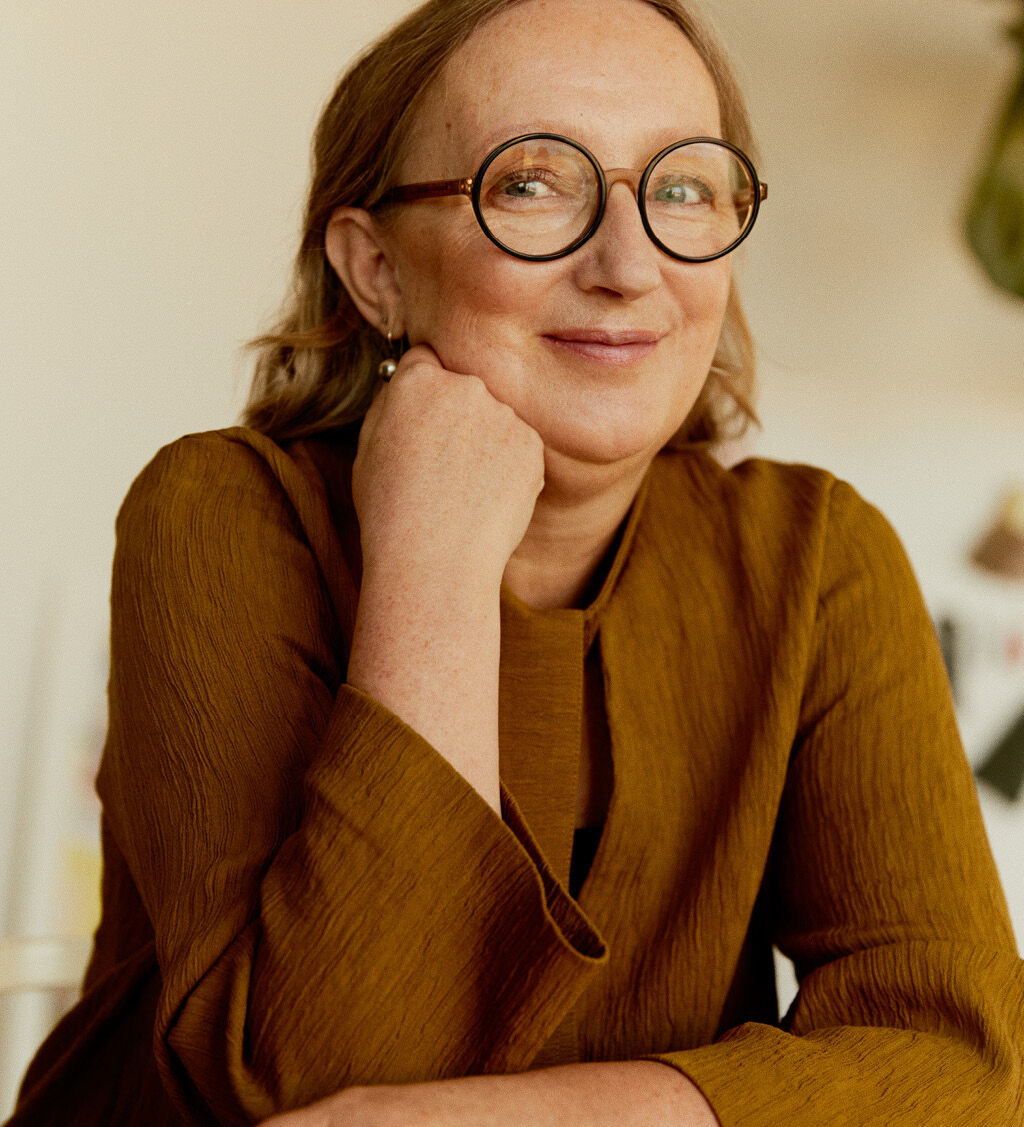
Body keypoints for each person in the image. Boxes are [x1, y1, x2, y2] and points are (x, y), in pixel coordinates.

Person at [8, 0, 1024, 1124]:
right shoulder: (220, 510)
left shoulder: (817, 556)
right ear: (375, 269)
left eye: (684, 188)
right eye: (534, 183)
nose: (630, 264)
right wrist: (432, 565)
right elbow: (306, 1085)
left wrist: (520, 1118)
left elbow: (961, 1061)